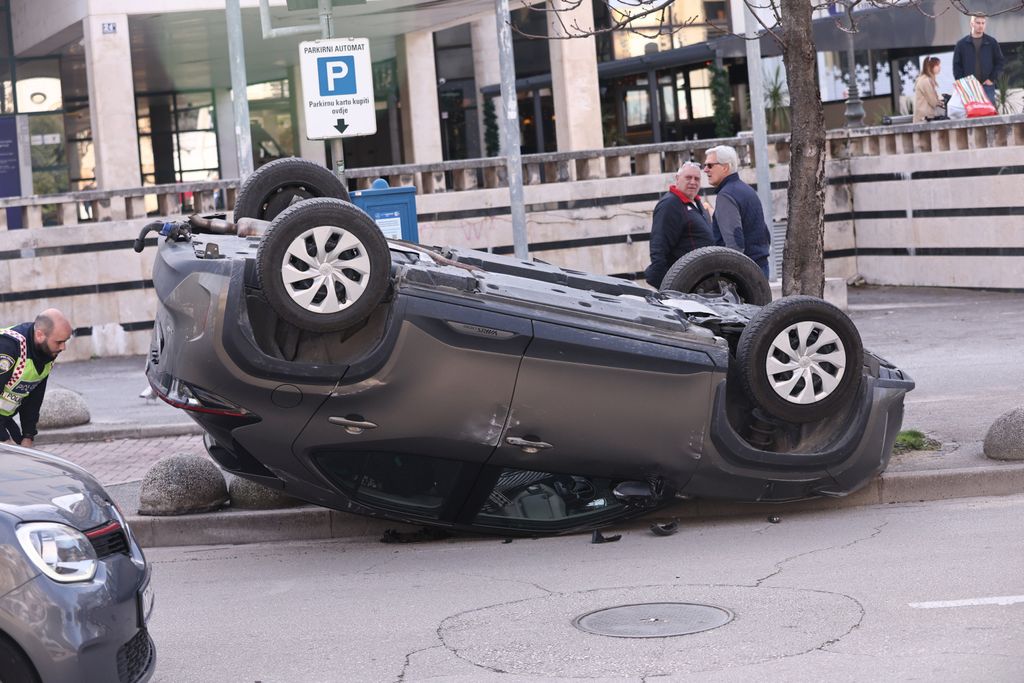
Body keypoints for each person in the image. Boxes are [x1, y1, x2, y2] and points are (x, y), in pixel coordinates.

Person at [0, 309, 73, 448]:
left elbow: (34, 396)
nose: (63, 347)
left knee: (22, 455)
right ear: (40, 335)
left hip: (4, 417)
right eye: (59, 342)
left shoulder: (47, 352)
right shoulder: (8, 347)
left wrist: (28, 435)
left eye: (65, 341)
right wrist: (3, 438)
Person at [702, 145, 771, 278]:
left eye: (710, 165)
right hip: (759, 267)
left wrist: (731, 277)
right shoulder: (746, 190)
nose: (705, 170)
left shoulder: (726, 195)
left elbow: (735, 245)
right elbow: (764, 233)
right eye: (705, 165)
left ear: (725, 167)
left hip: (744, 273)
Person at [644, 161, 715, 288]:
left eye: (697, 179)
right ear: (677, 179)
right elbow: (659, 247)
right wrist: (667, 287)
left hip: (702, 280)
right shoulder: (670, 204)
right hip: (683, 283)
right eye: (688, 178)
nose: (693, 182)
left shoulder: (696, 203)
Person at [952, 14, 1005, 107]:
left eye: (983, 23)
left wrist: (991, 79)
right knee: (971, 114)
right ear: (972, 24)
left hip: (987, 86)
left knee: (989, 113)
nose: (981, 25)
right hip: (969, 87)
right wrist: (963, 83)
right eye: (978, 23)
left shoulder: (992, 42)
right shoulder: (961, 44)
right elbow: (956, 66)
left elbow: (1000, 62)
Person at [913, 57, 943, 123]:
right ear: (930, 66)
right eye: (937, 65)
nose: (939, 67)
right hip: (923, 120)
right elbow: (933, 102)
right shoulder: (925, 81)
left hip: (923, 119)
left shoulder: (923, 79)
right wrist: (942, 103)